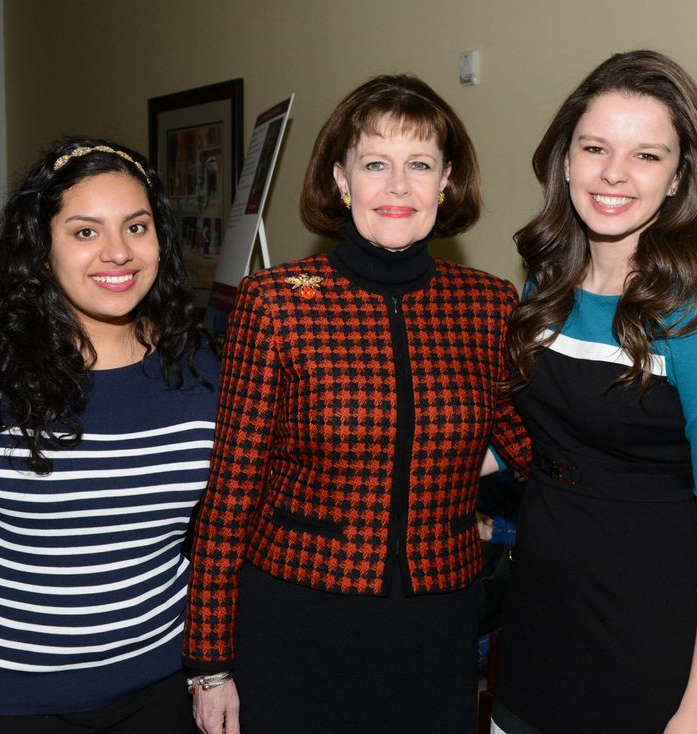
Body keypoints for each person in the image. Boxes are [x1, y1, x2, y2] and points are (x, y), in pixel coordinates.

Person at [184, 74, 531, 734]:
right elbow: (230, 495)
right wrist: (210, 664)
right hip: (298, 621)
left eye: (420, 164)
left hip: (439, 627)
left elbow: (537, 449)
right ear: (342, 179)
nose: (398, 186)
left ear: (446, 181)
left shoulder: (489, 307)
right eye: (376, 163)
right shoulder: (275, 304)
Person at [0, 138, 218, 733]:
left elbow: (226, 533)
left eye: (136, 227)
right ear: (40, 250)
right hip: (1, 699)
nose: (118, 253)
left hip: (163, 688)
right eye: (85, 232)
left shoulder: (199, 365)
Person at [492, 50, 697, 734]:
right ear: (565, 161)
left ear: (678, 179)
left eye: (646, 156)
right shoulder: (541, 291)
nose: (614, 173)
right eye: (595, 148)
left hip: (647, 641)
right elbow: (532, 440)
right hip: (534, 621)